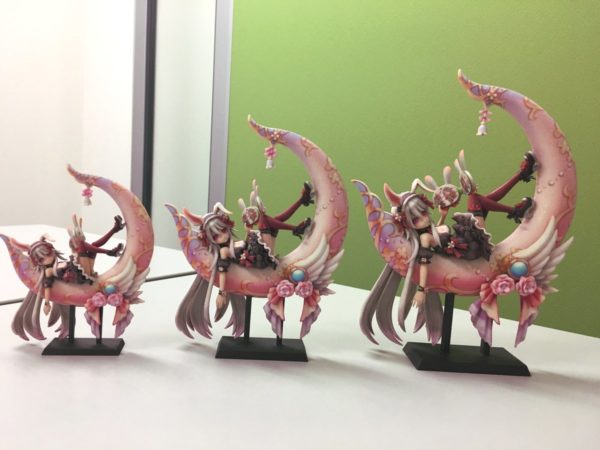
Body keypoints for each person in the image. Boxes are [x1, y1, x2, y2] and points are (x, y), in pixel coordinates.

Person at [237, 179, 313, 269]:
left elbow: (246, 243)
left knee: (275, 219)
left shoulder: (244, 243)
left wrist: (249, 231)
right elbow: (247, 243)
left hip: (266, 248)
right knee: (265, 220)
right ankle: (297, 228)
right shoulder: (256, 228)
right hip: (264, 256)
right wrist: (249, 231)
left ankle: (302, 201)